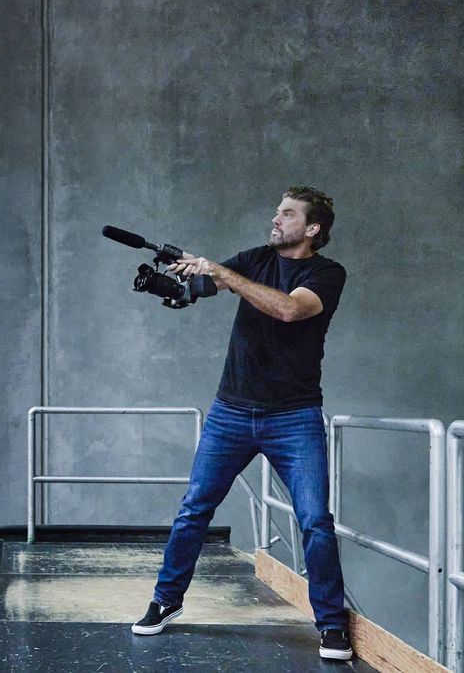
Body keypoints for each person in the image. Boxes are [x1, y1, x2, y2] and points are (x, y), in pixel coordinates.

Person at [130, 186, 353, 661]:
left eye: (287, 215)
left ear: (312, 229)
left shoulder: (326, 273)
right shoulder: (255, 257)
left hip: (294, 417)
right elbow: (207, 284)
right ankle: (165, 602)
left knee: (315, 521)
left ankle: (331, 626)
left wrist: (223, 272)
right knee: (194, 509)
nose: (276, 220)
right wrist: (185, 280)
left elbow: (289, 308)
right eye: (276, 212)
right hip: (231, 412)